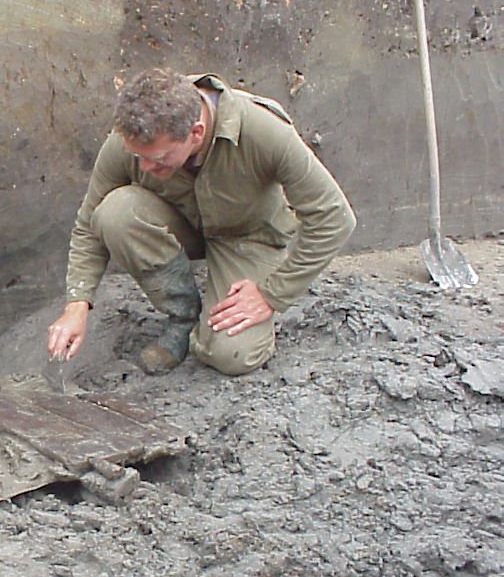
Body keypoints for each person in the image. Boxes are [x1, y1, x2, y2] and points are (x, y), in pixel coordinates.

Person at [47, 67, 356, 376]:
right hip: (181, 225)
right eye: (136, 156)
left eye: (158, 160)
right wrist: (77, 305)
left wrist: (271, 294)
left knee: (231, 355)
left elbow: (334, 217)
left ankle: (215, 322)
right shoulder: (133, 138)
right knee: (115, 211)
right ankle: (182, 319)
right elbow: (89, 223)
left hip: (247, 237)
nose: (142, 167)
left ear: (195, 133)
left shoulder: (262, 131)